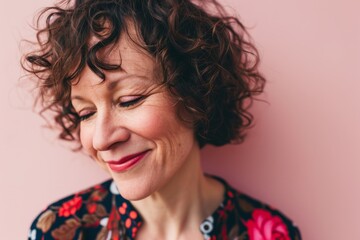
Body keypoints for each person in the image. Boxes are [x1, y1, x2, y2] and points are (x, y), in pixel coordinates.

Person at [23, 0, 302, 239]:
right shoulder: (58, 231)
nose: (101, 139)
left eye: (129, 100)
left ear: (194, 94)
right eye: (86, 113)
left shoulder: (271, 233)